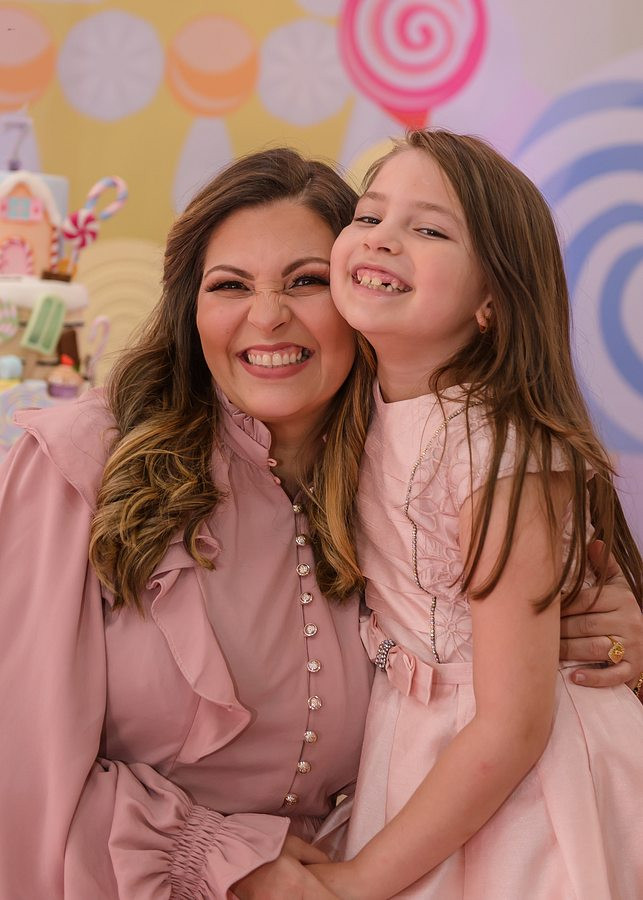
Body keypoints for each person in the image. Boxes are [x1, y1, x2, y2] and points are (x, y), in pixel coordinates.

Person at [0, 147, 639, 900]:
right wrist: (225, 861)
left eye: (305, 281)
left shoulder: (426, 455)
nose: (267, 316)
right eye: (229, 285)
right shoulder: (81, 465)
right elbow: (18, 760)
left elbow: (514, 691)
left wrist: (615, 641)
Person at [308, 130, 643, 899]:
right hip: (423, 750)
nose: (381, 238)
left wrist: (357, 882)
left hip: (519, 782)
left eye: (429, 230)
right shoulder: (363, 408)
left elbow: (512, 723)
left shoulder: (493, 449)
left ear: (491, 300)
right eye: (368, 216)